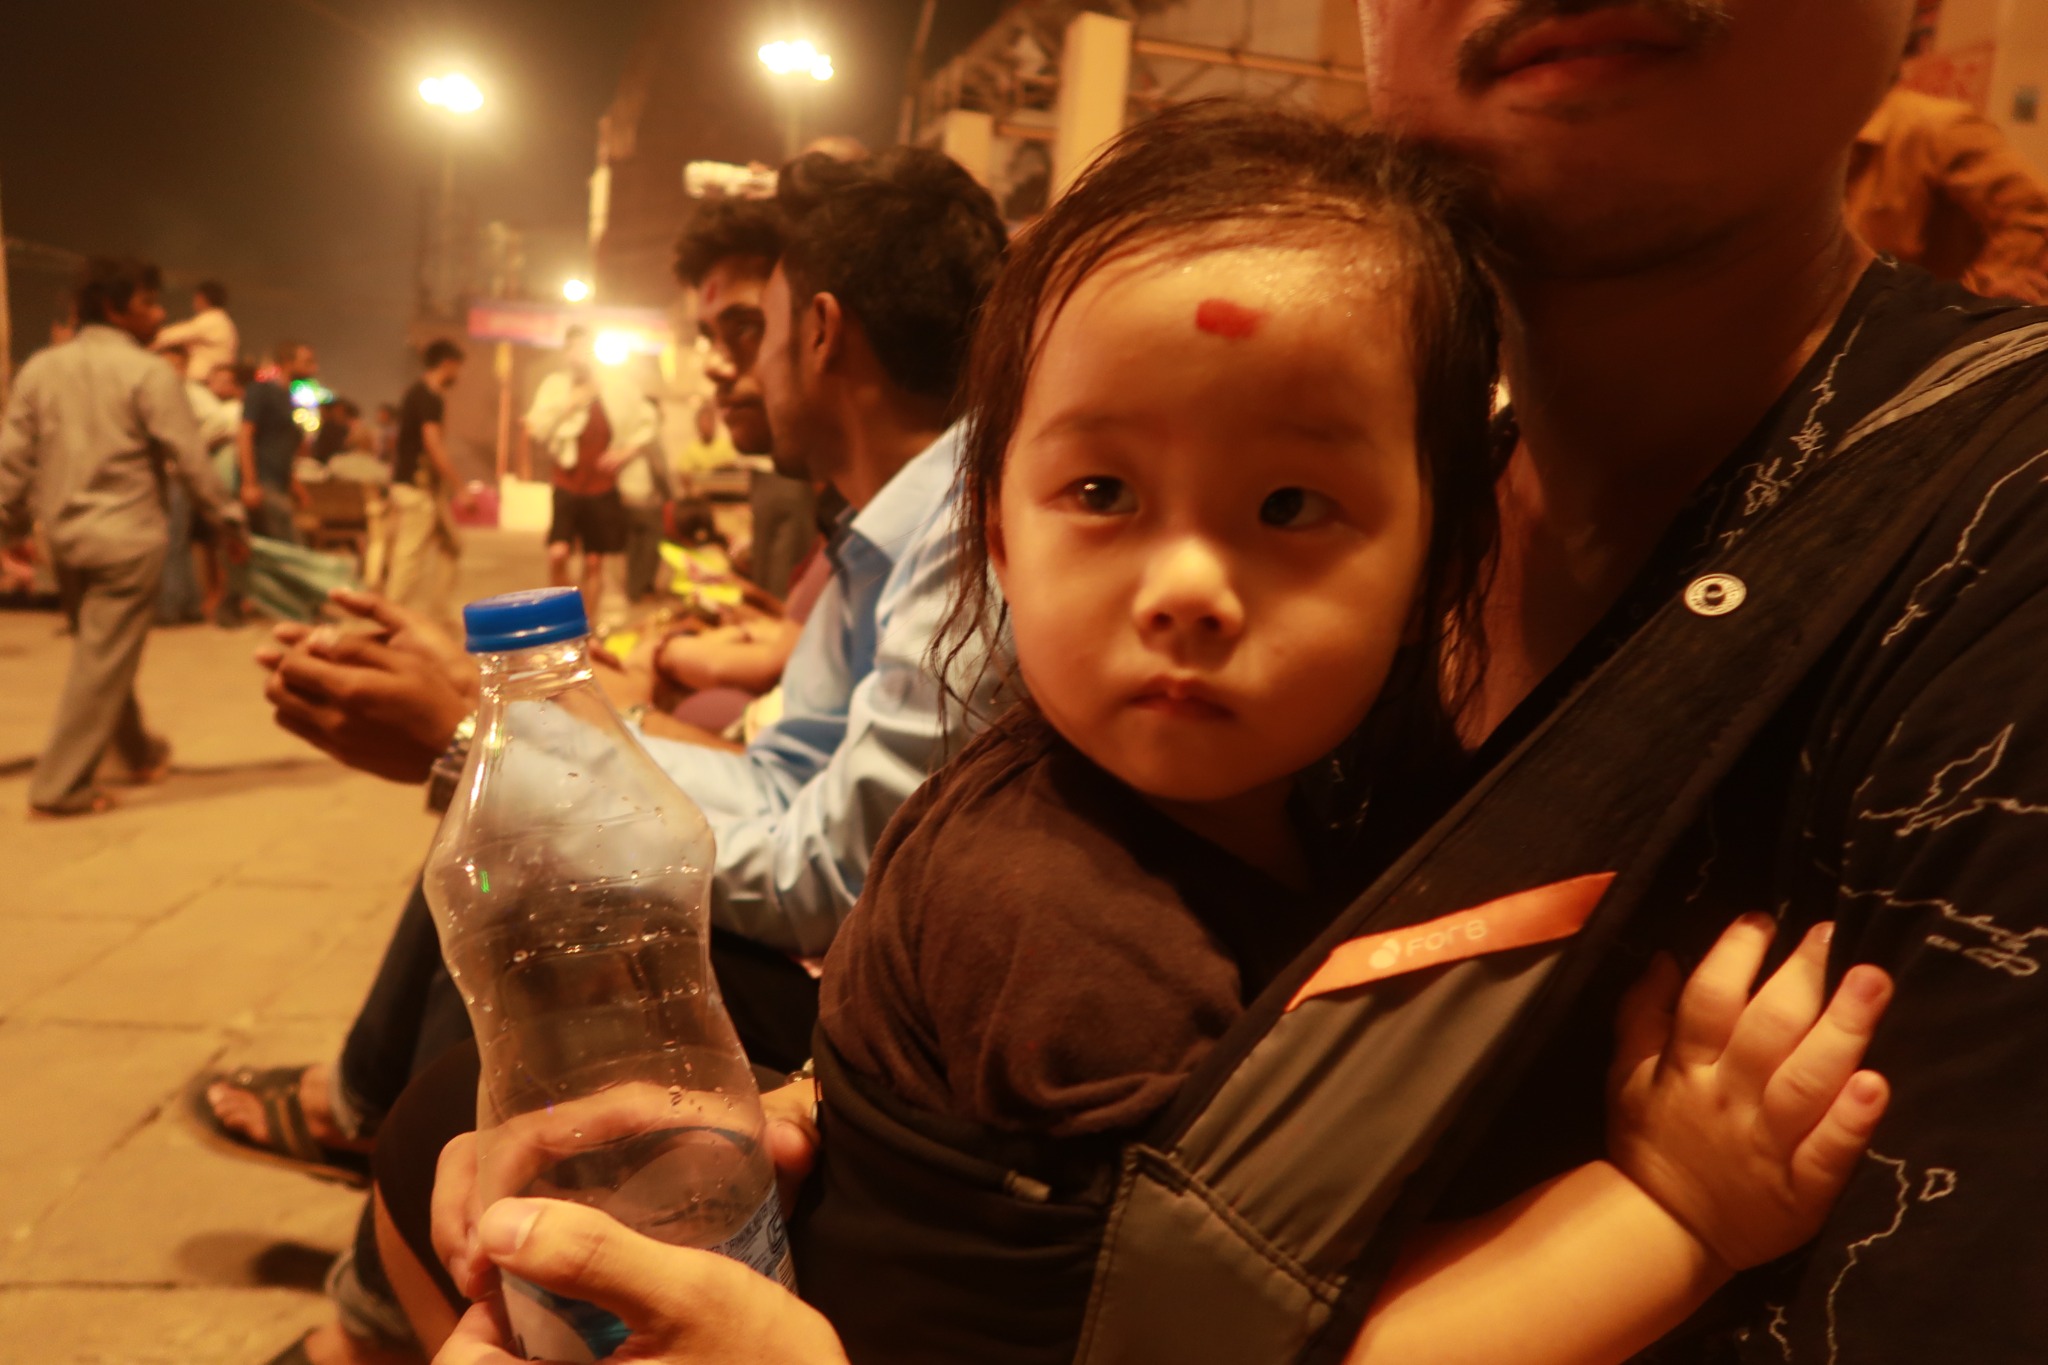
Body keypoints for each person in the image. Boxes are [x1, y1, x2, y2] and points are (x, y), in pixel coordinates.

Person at [436, 0, 2048, 1358]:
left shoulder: (1991, 548)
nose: (1194, 587)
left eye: (1290, 509)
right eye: (1100, 496)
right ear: (986, 539)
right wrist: (1674, 1208)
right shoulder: (1075, 904)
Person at [213, 149, 1010, 1365]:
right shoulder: (880, 531)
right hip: (850, 978)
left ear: (821, 330)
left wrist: (471, 745)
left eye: (757, 325)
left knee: (536, 914)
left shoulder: (966, 520)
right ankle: (368, 1204)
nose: (727, 367)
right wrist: (524, 727)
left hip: (893, 1001)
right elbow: (785, 780)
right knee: (517, 822)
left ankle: (368, 1315)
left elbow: (833, 877)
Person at [0, 257, 244, 816]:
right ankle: (59, 787)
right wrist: (228, 522)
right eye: (149, 303)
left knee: (102, 652)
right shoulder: (149, 373)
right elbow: (190, 457)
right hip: (128, 540)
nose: (160, 315)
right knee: (102, 657)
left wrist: (8, 528)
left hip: (64, 541)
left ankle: (137, 753)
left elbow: (12, 464)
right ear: (113, 307)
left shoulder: (40, 369)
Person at [1848, 82, 2048, 303]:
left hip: (1932, 324)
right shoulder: (1832, 135)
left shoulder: (1936, 125)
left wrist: (1973, 298)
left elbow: (2032, 209)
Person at [523, 326, 654, 626]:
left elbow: (647, 423)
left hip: (602, 487)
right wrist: (573, 401)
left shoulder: (617, 387)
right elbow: (537, 426)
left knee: (595, 561)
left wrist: (624, 453)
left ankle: (586, 627)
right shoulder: (556, 386)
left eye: (583, 348)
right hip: (567, 483)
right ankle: (559, 620)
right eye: (572, 349)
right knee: (558, 553)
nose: (577, 356)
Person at [386, 341, 465, 627]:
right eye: (457, 367)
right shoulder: (427, 397)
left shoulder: (419, 394)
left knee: (452, 545)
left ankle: (437, 612)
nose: (458, 374)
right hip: (416, 488)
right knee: (409, 554)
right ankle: (390, 616)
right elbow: (433, 444)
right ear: (447, 364)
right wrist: (460, 487)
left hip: (424, 488)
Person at [239, 340, 316, 543]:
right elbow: (245, 434)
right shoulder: (261, 391)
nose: (314, 367)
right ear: (287, 362)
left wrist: (294, 485)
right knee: (290, 550)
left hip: (278, 486)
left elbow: (279, 446)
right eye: (307, 361)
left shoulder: (287, 398)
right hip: (264, 485)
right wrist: (249, 483)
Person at [151, 278, 238, 382]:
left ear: (201, 298)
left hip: (202, 380)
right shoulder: (221, 320)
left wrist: (140, 339)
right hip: (210, 380)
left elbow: (169, 336)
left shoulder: (211, 320)